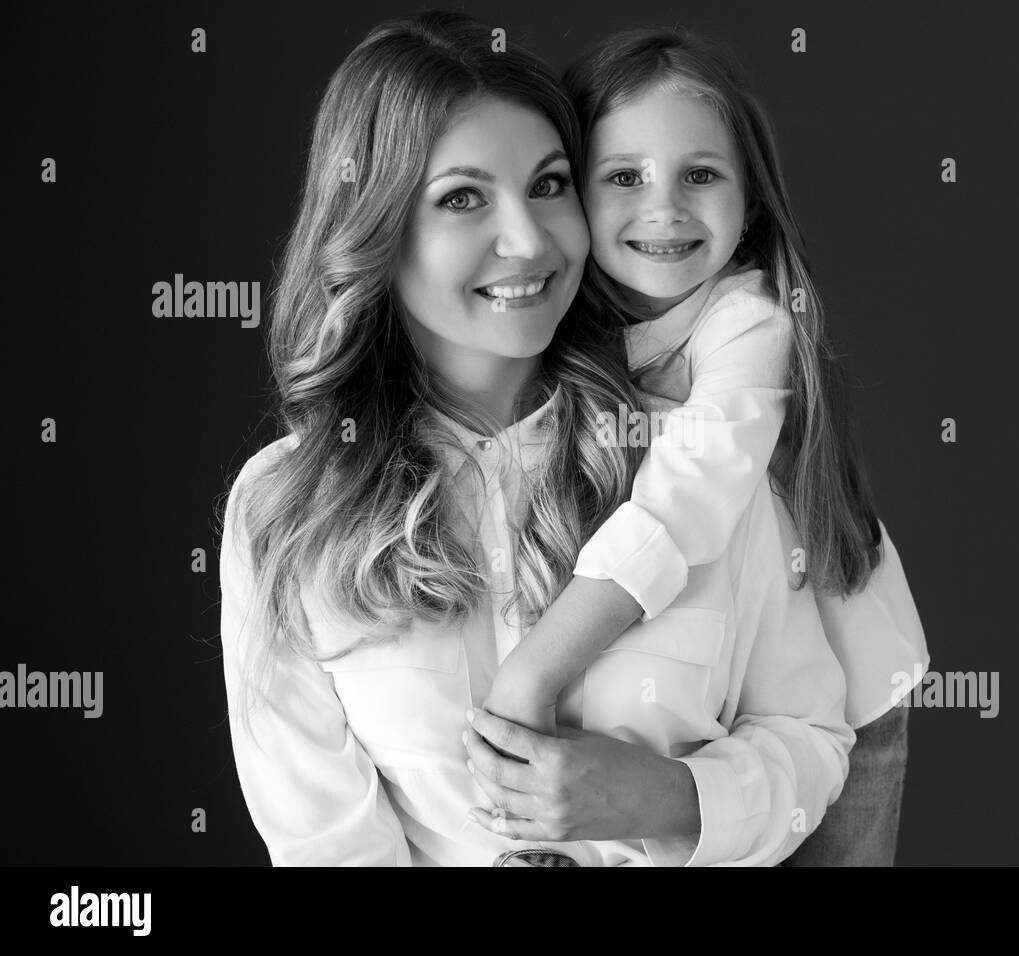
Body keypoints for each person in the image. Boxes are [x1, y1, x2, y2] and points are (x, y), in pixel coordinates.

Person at [219, 9, 854, 867]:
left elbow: (810, 736)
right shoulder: (282, 511)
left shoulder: (696, 455)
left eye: (550, 184)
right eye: (463, 198)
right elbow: (327, 846)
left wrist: (666, 799)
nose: (527, 240)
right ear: (378, 225)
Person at [479, 26, 931, 866]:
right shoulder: (559, 335)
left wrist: (538, 670)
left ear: (750, 200)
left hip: (844, 696)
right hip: (711, 698)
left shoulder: (747, 319)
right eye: (623, 178)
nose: (664, 208)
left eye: (700, 175)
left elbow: (690, 491)